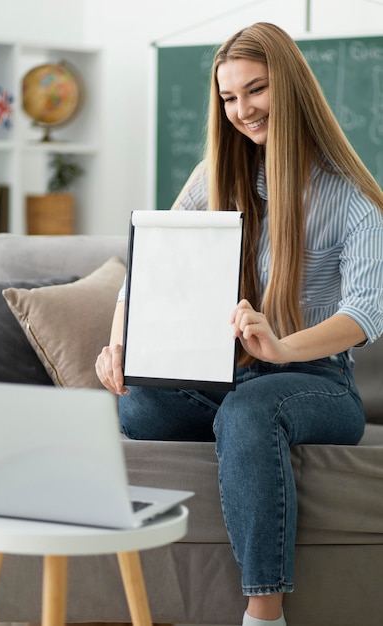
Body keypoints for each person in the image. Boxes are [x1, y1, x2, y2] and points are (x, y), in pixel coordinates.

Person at [96, 22, 383, 626]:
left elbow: (365, 312)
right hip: (229, 378)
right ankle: (244, 441)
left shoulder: (352, 196)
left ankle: (264, 613)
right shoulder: (216, 177)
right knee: (142, 405)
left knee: (250, 411)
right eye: (229, 98)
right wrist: (121, 340)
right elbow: (148, 265)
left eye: (256, 90)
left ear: (293, 88)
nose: (242, 110)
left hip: (318, 382)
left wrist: (280, 348)